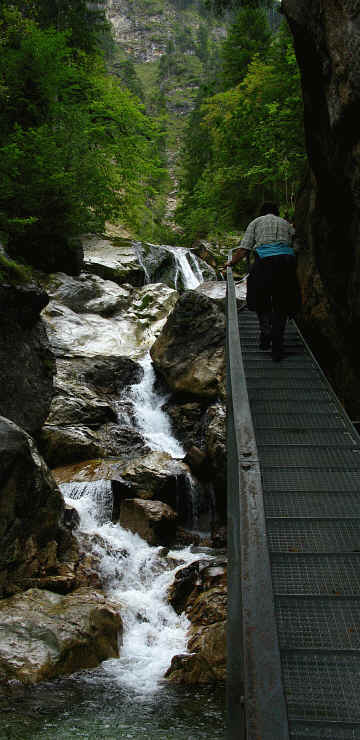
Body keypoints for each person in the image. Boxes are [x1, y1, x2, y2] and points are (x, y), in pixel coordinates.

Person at [224, 202, 301, 361]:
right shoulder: (286, 224)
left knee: (260, 298)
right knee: (282, 302)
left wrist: (231, 262)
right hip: (286, 261)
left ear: (262, 212)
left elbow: (244, 248)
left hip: (265, 262)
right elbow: (297, 244)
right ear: (276, 212)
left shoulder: (256, 222)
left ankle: (265, 332)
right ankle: (277, 345)